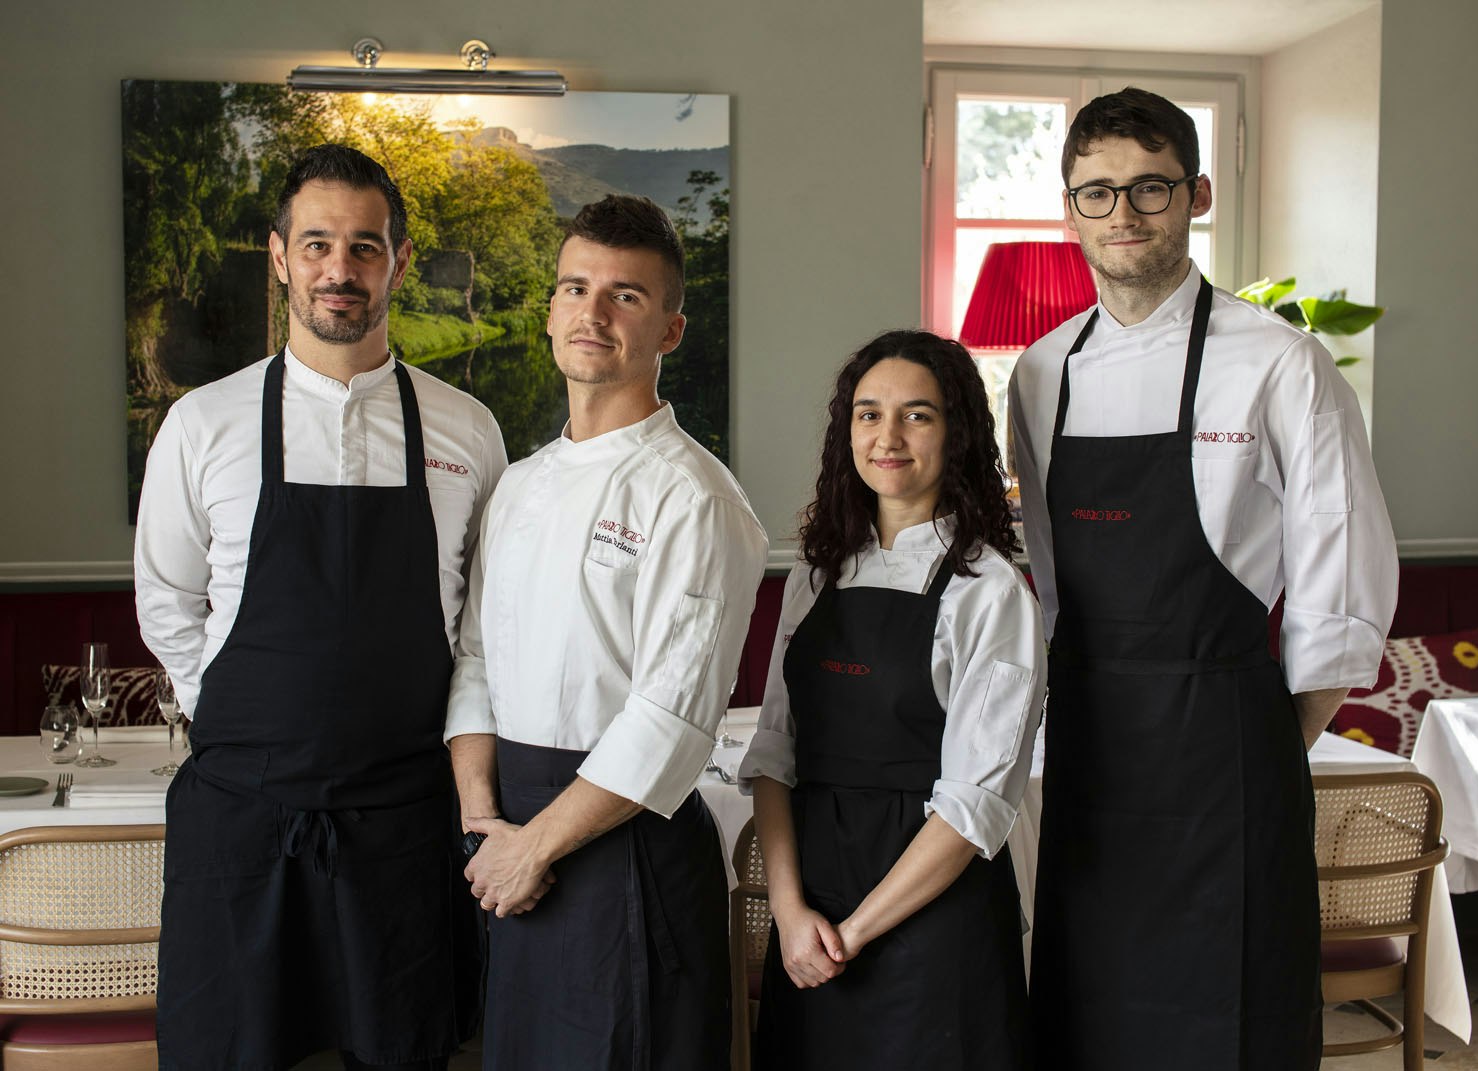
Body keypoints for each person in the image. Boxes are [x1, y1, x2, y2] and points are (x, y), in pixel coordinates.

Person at [1008, 87, 1399, 1070]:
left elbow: (1339, 586)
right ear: (1068, 211)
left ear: (1198, 194)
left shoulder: (1282, 363)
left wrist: (1261, 739)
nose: (1124, 214)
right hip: (1093, 748)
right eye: (1096, 193)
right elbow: (1050, 583)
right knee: (1091, 1012)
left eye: (1150, 187)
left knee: (1235, 1013)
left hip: (1226, 750)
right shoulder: (1041, 371)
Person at [135, 144, 504, 1070]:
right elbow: (167, 599)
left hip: (405, 827)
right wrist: (227, 706)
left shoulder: (467, 429)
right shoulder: (204, 424)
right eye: (317, 244)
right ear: (279, 254)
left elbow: (481, 633)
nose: (340, 269)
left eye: (365, 246)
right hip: (243, 823)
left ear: (400, 260)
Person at [444, 194, 768, 1070]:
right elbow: (473, 661)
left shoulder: (696, 497)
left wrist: (532, 845)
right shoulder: (517, 483)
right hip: (513, 847)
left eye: (625, 295)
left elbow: (669, 718)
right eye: (574, 287)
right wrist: (485, 825)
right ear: (550, 309)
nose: (592, 312)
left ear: (669, 330)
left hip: (624, 854)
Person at [741, 330, 1043, 1070]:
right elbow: (774, 756)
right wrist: (790, 914)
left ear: (959, 431)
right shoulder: (817, 575)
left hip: (931, 916)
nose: (889, 436)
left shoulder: (991, 590)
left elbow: (974, 807)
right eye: (869, 414)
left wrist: (854, 932)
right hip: (811, 904)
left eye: (918, 415)